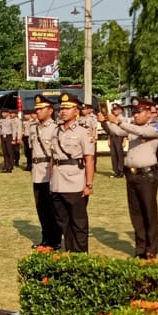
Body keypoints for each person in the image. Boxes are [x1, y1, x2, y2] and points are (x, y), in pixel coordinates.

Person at [104, 98, 158, 259]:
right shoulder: (132, 128)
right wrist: (105, 122)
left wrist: (119, 121)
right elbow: (116, 132)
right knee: (136, 213)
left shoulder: (155, 126)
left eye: (139, 112)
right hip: (132, 174)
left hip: (147, 175)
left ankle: (151, 248)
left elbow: (143, 133)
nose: (136, 115)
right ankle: (140, 248)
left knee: (149, 213)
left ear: (148, 113)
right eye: (134, 112)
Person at [50, 93, 96, 252]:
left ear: (76, 111)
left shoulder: (83, 132)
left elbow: (89, 159)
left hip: (75, 182)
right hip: (57, 182)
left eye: (67, 108)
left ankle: (81, 255)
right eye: (61, 108)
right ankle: (70, 252)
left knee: (79, 222)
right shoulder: (56, 131)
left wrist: (89, 184)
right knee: (63, 221)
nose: (62, 111)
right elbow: (52, 158)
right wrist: (51, 181)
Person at [28, 95, 62, 249]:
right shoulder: (34, 128)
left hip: (49, 171)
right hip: (37, 172)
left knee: (51, 208)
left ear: (50, 110)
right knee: (41, 207)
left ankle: (54, 240)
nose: (38, 112)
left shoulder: (55, 128)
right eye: (37, 109)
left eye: (41, 109)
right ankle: (45, 239)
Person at [106, 104, 128, 178]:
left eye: (117, 109)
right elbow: (110, 130)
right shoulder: (111, 118)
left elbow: (125, 130)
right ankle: (115, 171)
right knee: (113, 155)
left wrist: (124, 140)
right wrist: (109, 139)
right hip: (112, 137)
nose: (115, 111)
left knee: (120, 154)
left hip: (120, 137)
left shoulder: (123, 119)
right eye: (114, 109)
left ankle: (121, 171)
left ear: (120, 110)